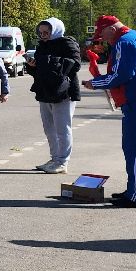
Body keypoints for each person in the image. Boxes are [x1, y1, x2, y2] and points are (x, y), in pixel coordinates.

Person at [84, 16, 136, 208]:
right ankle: (135, 190)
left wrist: (95, 83)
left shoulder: (125, 42)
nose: (103, 39)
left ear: (111, 29)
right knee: (135, 147)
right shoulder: (135, 38)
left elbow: (122, 75)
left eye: (102, 34)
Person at [30, 17, 82, 173]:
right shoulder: (42, 46)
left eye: (47, 32)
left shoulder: (67, 42)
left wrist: (49, 61)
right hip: (45, 91)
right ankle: (54, 158)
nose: (43, 35)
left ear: (56, 30)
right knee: (49, 128)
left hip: (63, 91)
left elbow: (76, 63)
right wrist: (32, 65)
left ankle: (62, 162)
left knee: (62, 128)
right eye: (41, 32)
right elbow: (39, 70)